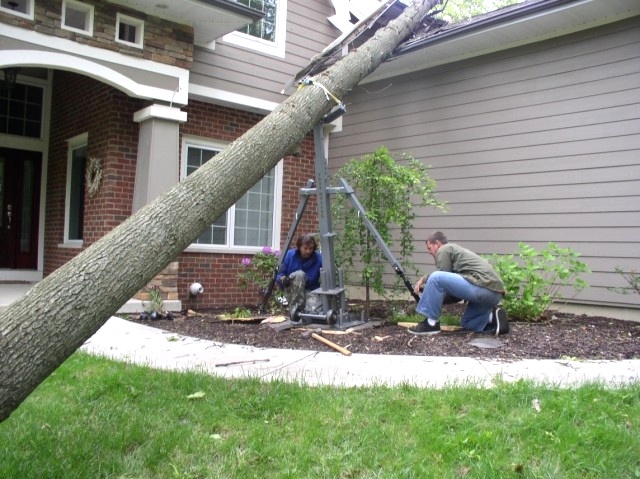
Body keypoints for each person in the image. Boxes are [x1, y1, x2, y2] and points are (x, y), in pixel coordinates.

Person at [409, 231, 509, 336]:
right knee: (468, 324)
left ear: (437, 244)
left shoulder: (444, 249)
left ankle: (431, 324)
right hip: (493, 294)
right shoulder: (456, 256)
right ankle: (492, 317)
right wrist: (430, 296)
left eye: (429, 248)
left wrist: (424, 279)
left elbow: (439, 275)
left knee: (435, 277)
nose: (429, 252)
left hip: (481, 286)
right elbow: (455, 296)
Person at [276, 233, 322, 319]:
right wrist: (283, 280)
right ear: (299, 247)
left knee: (315, 312)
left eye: (311, 248)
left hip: (309, 291)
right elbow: (279, 275)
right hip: (292, 291)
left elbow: (325, 278)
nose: (308, 251)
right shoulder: (290, 255)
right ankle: (295, 310)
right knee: (300, 274)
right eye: (305, 248)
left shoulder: (319, 259)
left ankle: (304, 311)